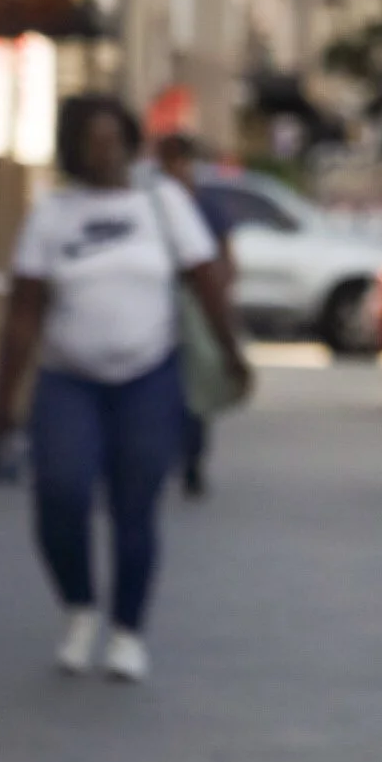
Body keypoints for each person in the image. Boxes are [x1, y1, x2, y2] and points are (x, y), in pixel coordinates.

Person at [0, 92, 250, 683]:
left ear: (130, 142)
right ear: (73, 149)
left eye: (112, 139)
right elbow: (23, 311)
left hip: (147, 378)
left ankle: (128, 630)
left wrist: (232, 354)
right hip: (68, 381)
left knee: (135, 508)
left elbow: (206, 282)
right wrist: (4, 397)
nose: (103, 151)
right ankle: (80, 607)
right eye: (90, 141)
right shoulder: (52, 215)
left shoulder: (161, 204)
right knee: (60, 493)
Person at [154, 129, 237, 496]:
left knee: (198, 389)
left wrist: (219, 301)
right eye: (168, 160)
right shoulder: (149, 206)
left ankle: (192, 462)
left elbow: (224, 261)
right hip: (158, 307)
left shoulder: (204, 208)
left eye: (180, 160)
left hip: (197, 307)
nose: (175, 168)